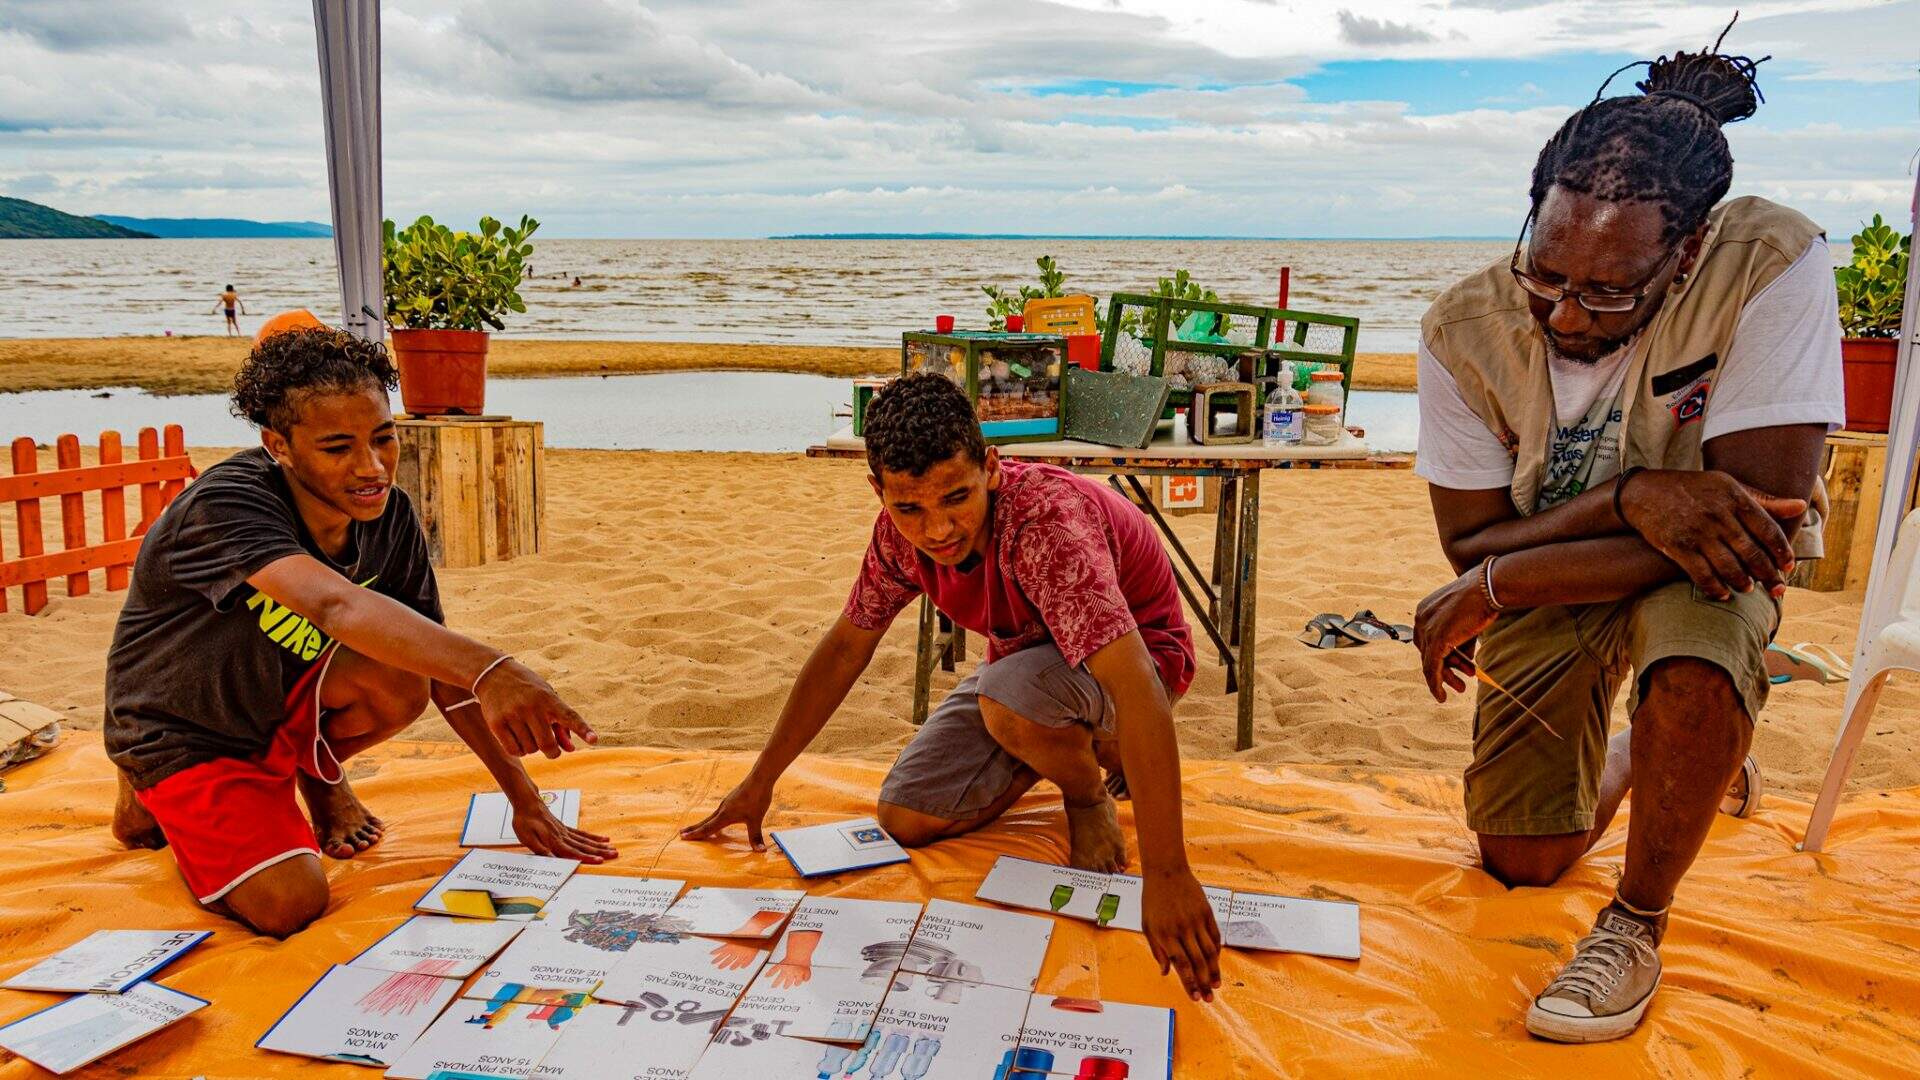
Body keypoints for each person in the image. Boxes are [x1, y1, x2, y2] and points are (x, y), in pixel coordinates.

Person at [1410, 29, 1844, 1044]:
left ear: (1686, 253)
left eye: (1609, 293)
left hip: (1703, 564)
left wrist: (1502, 581)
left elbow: (1760, 521)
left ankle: (1636, 922)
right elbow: (1473, 543)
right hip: (1562, 565)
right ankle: (1662, 758)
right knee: (1522, 856)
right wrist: (1630, 497)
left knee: (1698, 641)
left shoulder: (1770, 260)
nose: (1564, 317)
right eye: (1545, 276)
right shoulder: (1460, 330)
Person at [682, 372, 1223, 1002]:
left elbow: (1137, 690)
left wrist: (1168, 873)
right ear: (878, 491)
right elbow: (844, 650)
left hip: (1142, 664)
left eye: (956, 498)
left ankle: (1086, 790)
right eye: (909, 508)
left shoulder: (1047, 525)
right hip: (1027, 673)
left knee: (1007, 698)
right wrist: (761, 779)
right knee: (905, 817)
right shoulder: (897, 539)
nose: (937, 529)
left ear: (991, 468)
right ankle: (1052, 742)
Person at [105, 325, 616, 939]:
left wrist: (524, 800)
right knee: (291, 903)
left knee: (407, 672)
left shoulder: (390, 516)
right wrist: (496, 668)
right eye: (337, 448)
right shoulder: (226, 504)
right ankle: (148, 783)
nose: (371, 468)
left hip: (277, 705)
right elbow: (332, 605)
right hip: (186, 728)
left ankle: (311, 777)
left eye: (383, 438)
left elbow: (442, 673)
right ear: (279, 446)